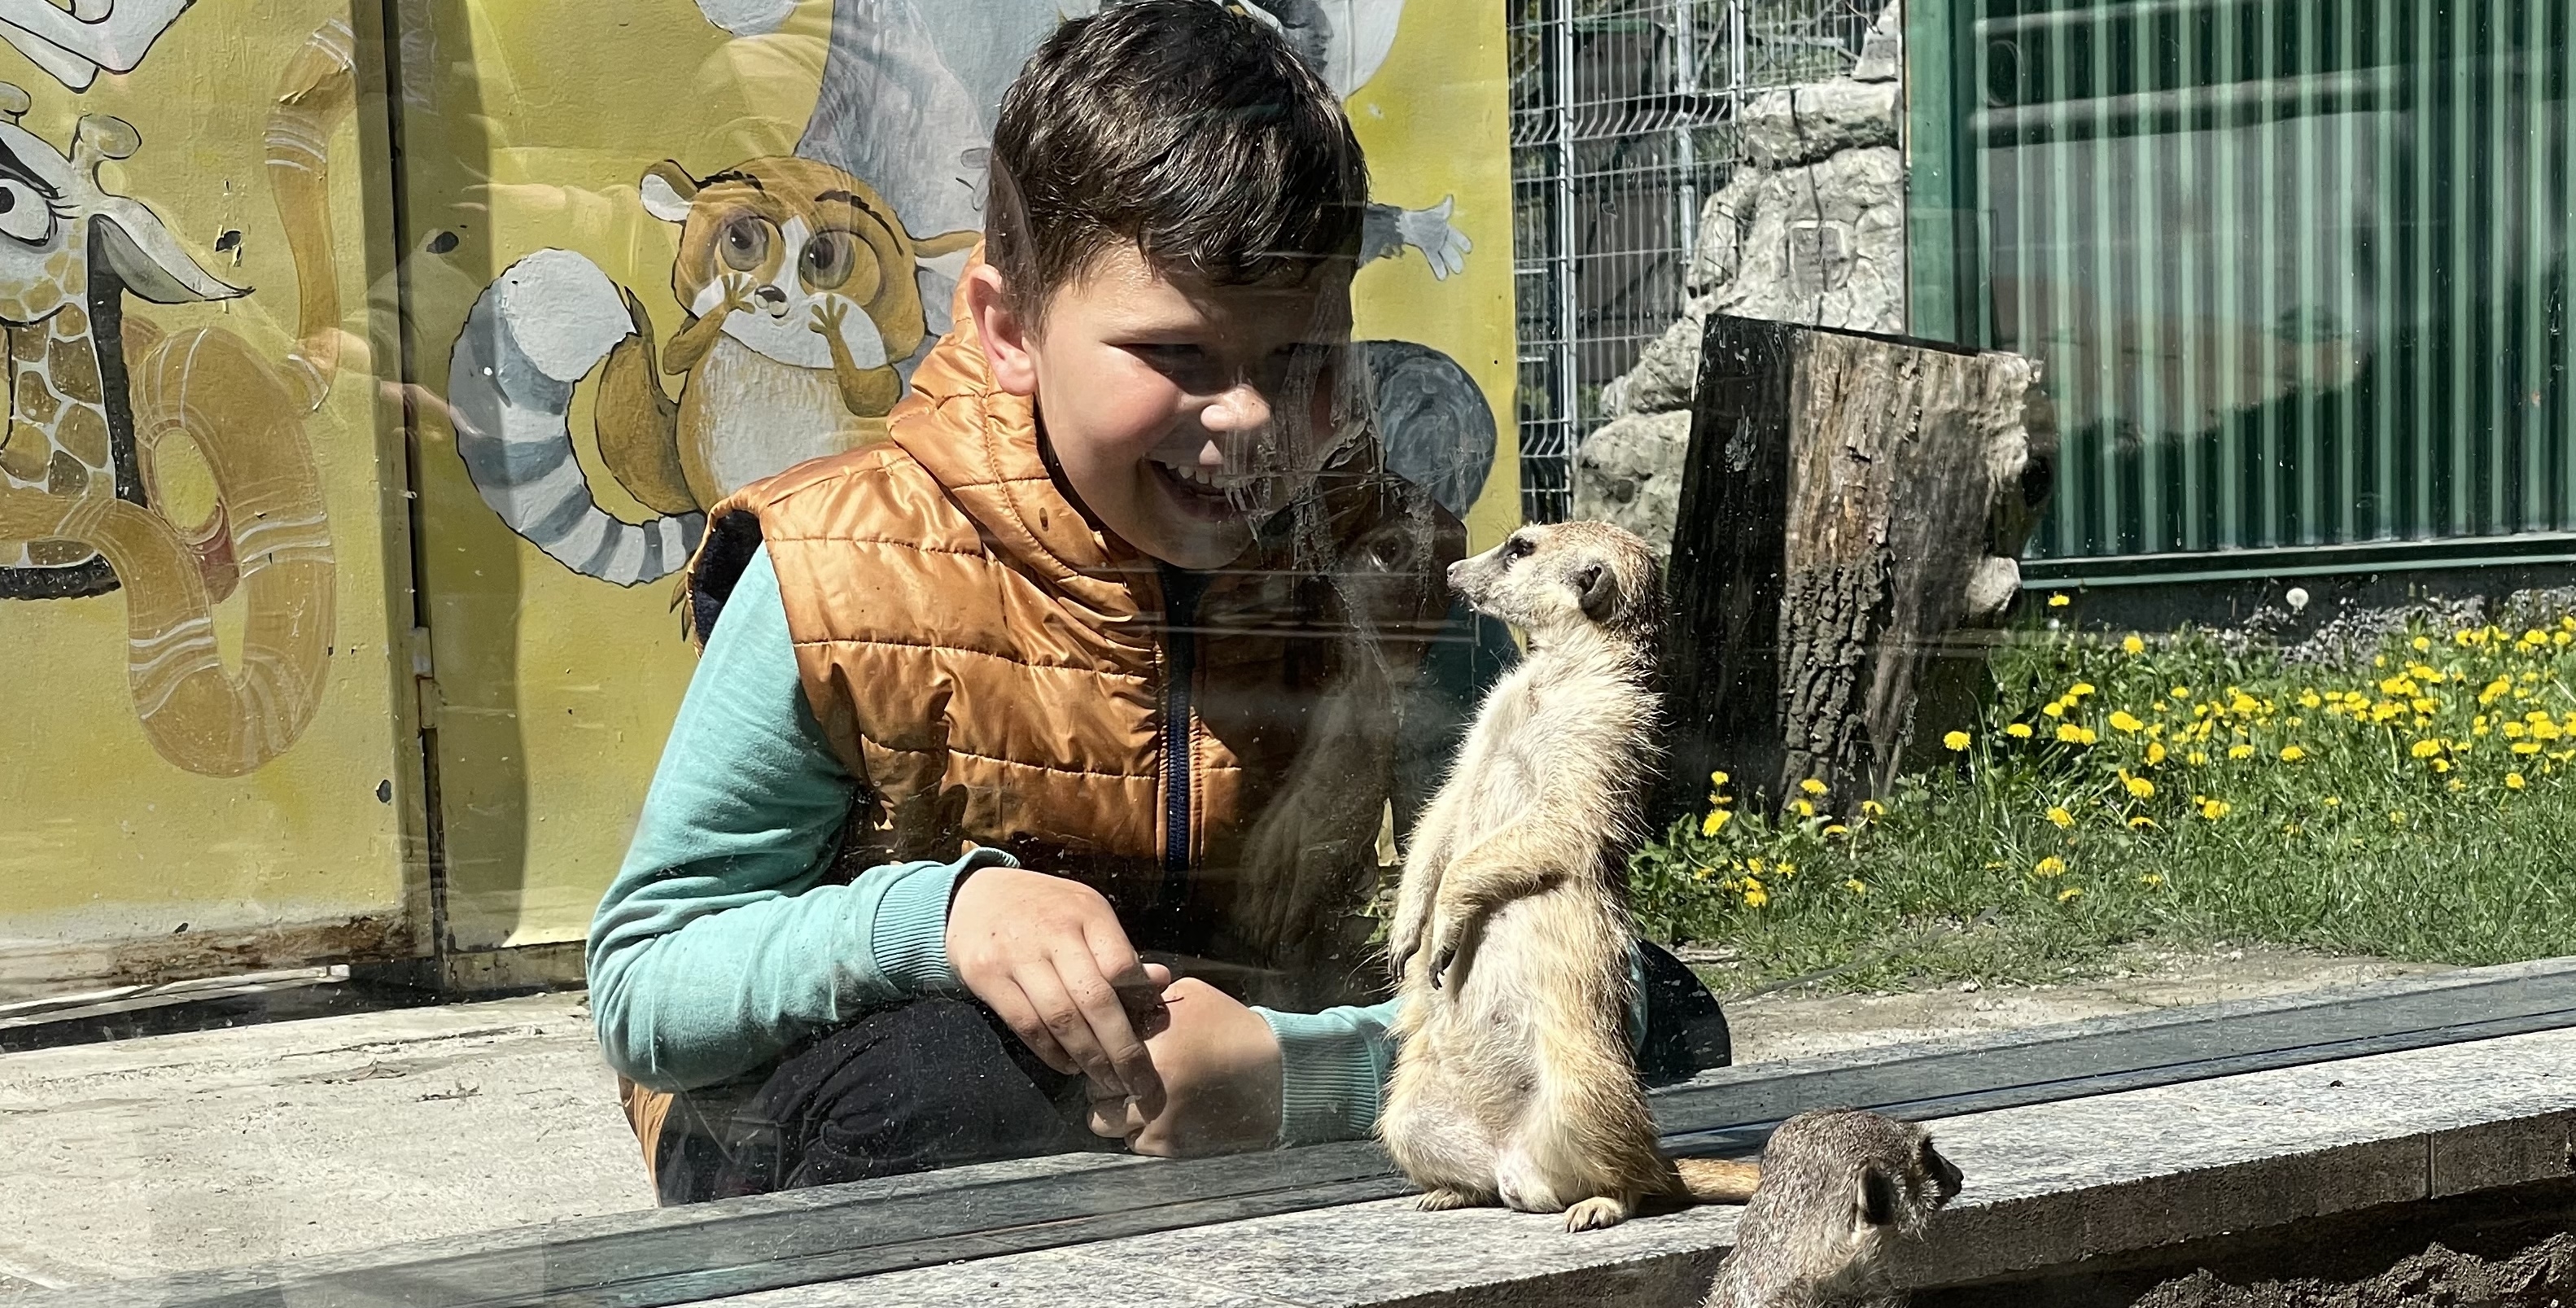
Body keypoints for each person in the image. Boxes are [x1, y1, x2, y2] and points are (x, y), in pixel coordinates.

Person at [588, 0, 1725, 1205]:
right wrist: (939, 920)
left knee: (1664, 1014)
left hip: (1234, 1047)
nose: (1242, 416)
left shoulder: (1378, 570)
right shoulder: (838, 568)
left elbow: (1560, 939)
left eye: (1298, 362)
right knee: (959, 1085)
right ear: (1009, 329)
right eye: (1176, 357)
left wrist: (1297, 1080)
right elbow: (644, 983)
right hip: (870, 1105)